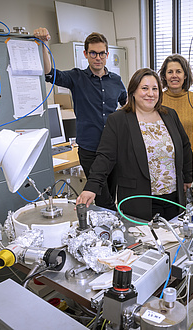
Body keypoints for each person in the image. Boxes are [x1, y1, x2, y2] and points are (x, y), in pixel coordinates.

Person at [77, 68, 193, 221]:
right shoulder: (119, 120)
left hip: (173, 197)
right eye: (144, 88)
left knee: (173, 240)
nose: (150, 94)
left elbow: (184, 147)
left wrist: (188, 178)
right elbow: (105, 156)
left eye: (155, 89)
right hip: (139, 199)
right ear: (133, 91)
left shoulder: (169, 114)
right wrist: (91, 187)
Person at [33, 28, 127, 210]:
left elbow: (127, 105)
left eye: (101, 53)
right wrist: (43, 44)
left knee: (111, 194)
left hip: (113, 148)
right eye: (93, 53)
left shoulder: (116, 80)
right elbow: (49, 73)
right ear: (86, 54)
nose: (97, 57)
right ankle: (110, 232)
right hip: (90, 149)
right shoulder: (76, 77)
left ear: (107, 55)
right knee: (102, 199)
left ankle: (106, 231)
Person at [158, 54, 193, 150]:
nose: (174, 76)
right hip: (165, 157)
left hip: (192, 157)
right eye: (170, 72)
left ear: (185, 75)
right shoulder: (157, 99)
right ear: (164, 76)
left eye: (178, 71)